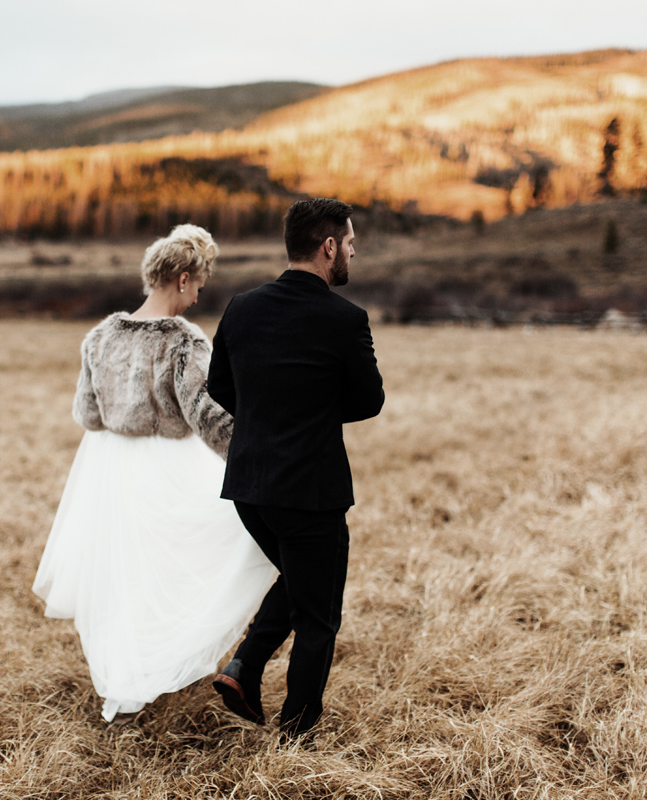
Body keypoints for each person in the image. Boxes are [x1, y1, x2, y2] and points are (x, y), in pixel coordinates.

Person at [32, 224, 276, 724]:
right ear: (183, 279)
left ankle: (125, 687)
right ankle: (150, 669)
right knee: (204, 557)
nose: (196, 299)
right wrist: (254, 453)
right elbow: (206, 416)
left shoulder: (99, 337)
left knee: (123, 576)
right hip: (167, 469)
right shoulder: (183, 341)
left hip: (110, 468)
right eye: (199, 288)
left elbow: (88, 414)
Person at [207, 198, 384, 740]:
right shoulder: (345, 319)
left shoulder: (241, 307)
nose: (353, 253)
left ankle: (244, 668)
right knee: (319, 615)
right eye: (350, 244)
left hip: (249, 487)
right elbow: (369, 399)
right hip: (310, 490)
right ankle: (298, 734)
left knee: (305, 581)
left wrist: (266, 414)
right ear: (328, 246)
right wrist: (313, 411)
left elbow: (219, 387)